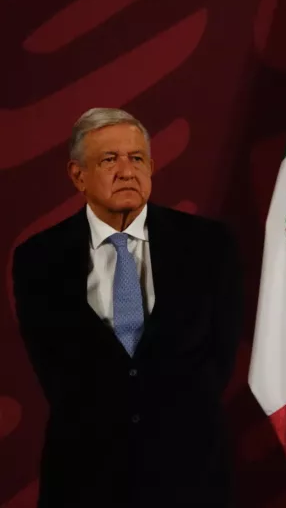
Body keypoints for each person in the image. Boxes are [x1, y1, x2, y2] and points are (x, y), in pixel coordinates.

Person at [12, 108, 243, 507]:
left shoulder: (208, 246)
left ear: (151, 168)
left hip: (190, 477)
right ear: (77, 175)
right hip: (85, 481)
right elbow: (54, 372)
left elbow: (220, 357)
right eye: (108, 160)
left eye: (136, 158)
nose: (126, 171)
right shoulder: (39, 258)